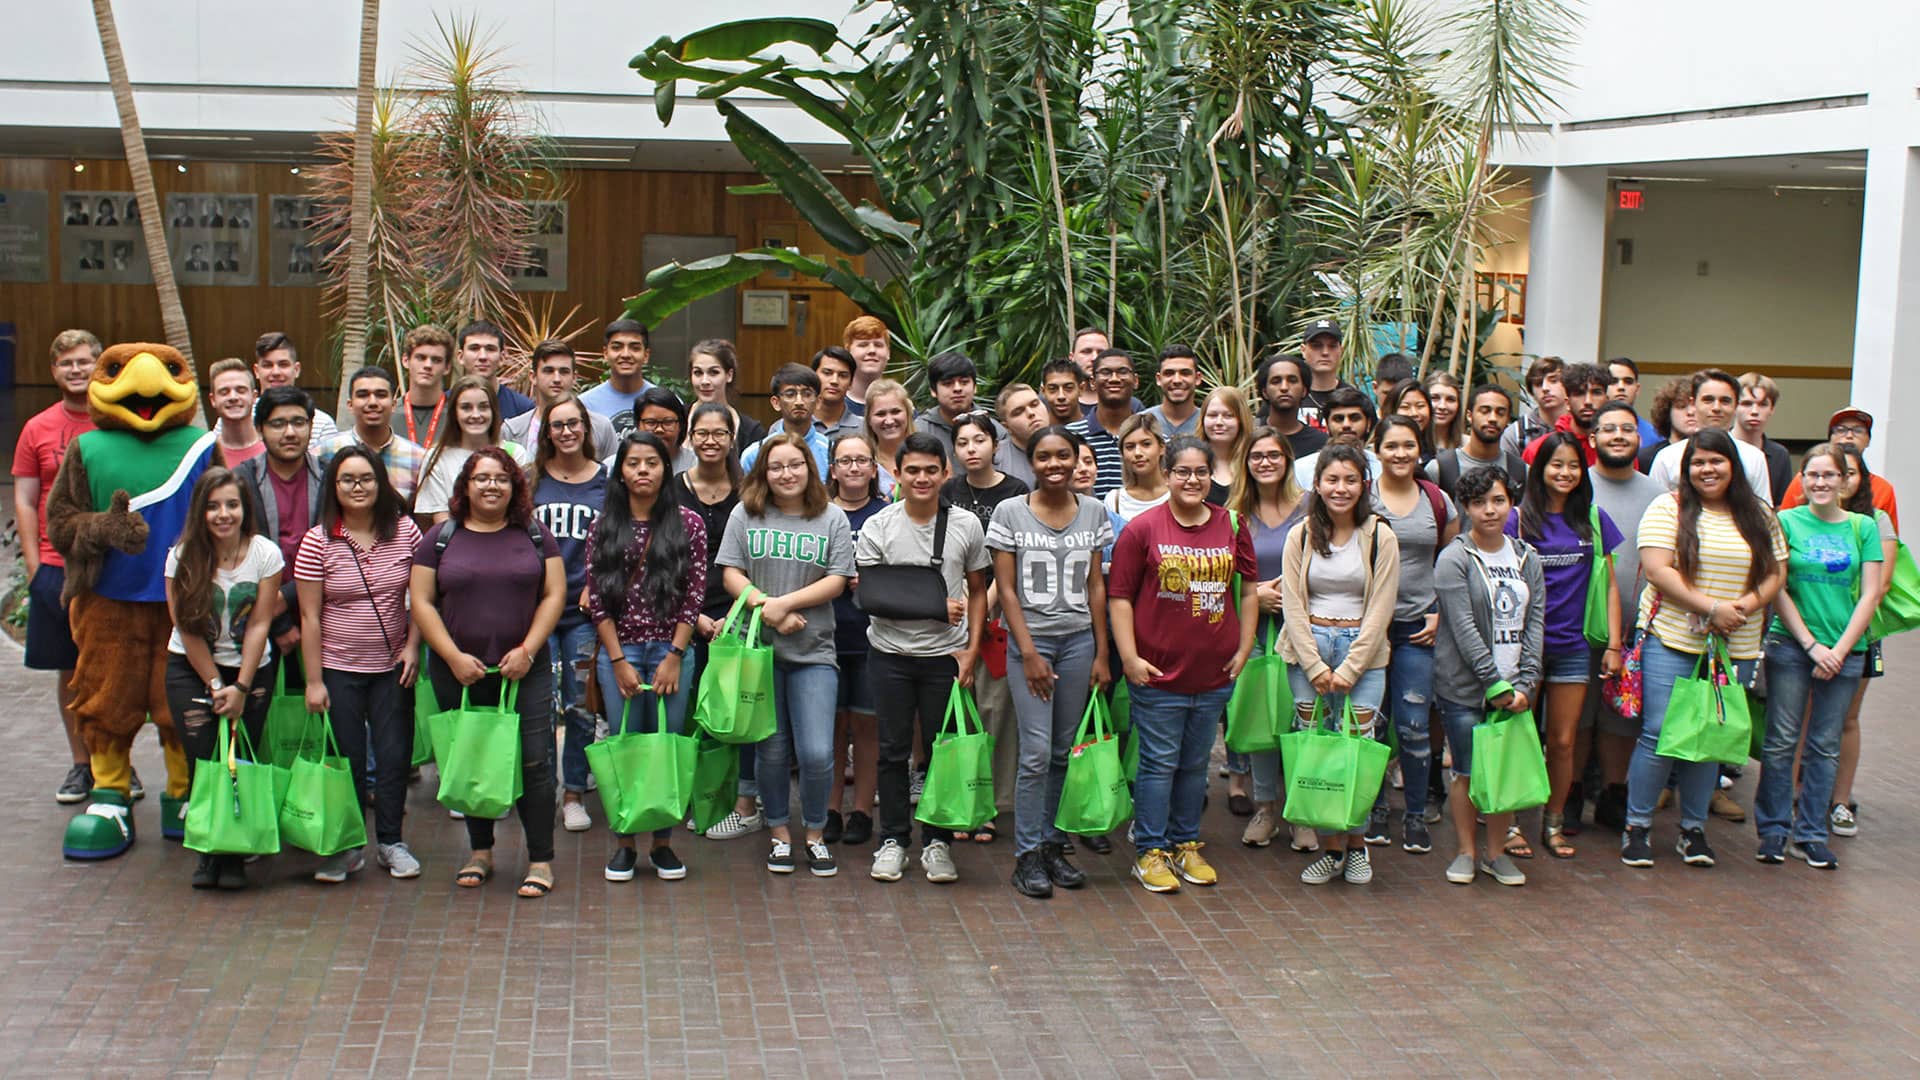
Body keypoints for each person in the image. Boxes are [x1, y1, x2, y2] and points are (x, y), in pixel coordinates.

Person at [1621, 429, 1785, 869]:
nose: (1707, 470)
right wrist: (1712, 608)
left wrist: (1744, 608)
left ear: (1733, 465)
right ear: (1685, 469)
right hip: (1673, 639)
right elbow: (1658, 570)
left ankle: (1693, 831)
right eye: (1698, 462)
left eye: (1716, 461)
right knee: (1660, 734)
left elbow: (1775, 572)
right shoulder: (1667, 507)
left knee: (1709, 739)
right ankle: (1636, 828)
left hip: (1736, 646)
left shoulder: (1760, 515)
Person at [411, 447, 567, 897]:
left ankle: (540, 860)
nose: (492, 485)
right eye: (481, 478)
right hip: (460, 672)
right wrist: (453, 657)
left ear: (515, 485)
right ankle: (480, 852)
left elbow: (554, 594)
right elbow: (421, 601)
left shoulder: (536, 535)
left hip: (524, 669)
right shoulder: (441, 537)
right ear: (466, 486)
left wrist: (528, 649)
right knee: (472, 757)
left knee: (536, 763)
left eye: (501, 478)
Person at [1112, 436, 1256, 893]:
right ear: (1166, 474)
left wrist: (1244, 647)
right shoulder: (1143, 529)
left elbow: (1250, 590)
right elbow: (1118, 598)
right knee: (1157, 763)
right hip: (1157, 673)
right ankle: (1150, 851)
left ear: (1211, 475)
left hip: (1214, 673)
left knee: (1194, 765)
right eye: (1182, 472)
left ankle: (1186, 843)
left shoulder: (1231, 524)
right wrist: (1130, 657)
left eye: (1200, 472)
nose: (1192, 480)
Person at [717, 433, 856, 877]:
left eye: (795, 465)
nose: (786, 474)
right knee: (772, 751)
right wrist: (769, 610)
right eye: (776, 467)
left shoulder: (831, 517)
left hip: (814, 650)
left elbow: (838, 579)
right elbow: (731, 574)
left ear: (810, 469)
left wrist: (785, 605)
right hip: (757, 651)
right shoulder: (746, 513)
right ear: (763, 472)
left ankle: (814, 833)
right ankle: (779, 834)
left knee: (816, 751)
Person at [861, 433, 992, 884]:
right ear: (896, 473)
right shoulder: (879, 525)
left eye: (930, 470)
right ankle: (893, 840)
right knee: (893, 751)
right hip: (890, 654)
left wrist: (971, 650)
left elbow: (978, 590)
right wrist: (935, 606)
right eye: (911, 470)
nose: (921, 478)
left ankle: (938, 842)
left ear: (946, 473)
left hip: (945, 658)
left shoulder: (966, 525)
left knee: (942, 752)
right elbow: (873, 596)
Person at [989, 426, 1112, 898]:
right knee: (1036, 753)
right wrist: (1030, 652)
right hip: (1031, 644)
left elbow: (1096, 587)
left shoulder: (1095, 511)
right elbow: (1007, 589)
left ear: (1077, 458)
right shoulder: (1010, 512)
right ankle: (1027, 854)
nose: (1055, 464)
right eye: (1044, 457)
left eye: (1064, 455)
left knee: (1064, 750)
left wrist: (1102, 652)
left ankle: (1054, 846)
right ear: (1032, 462)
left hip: (1079, 641)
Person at [294, 447, 424, 883]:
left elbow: (421, 600)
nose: (357, 487)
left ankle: (391, 842)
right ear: (334, 487)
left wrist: (413, 647)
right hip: (338, 666)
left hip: (392, 667)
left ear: (381, 482)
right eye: (347, 479)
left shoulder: (406, 531)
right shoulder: (318, 541)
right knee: (345, 760)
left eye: (366, 478)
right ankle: (348, 847)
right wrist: (314, 681)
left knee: (392, 757)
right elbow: (309, 616)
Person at [1755, 444, 1883, 870]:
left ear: (1845, 481)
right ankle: (1773, 830)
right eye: (1812, 475)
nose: (1821, 483)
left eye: (1830, 475)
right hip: (1791, 646)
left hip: (1846, 650)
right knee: (1780, 742)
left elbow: (1870, 593)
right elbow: (1779, 589)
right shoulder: (1785, 521)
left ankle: (1810, 833)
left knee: (1825, 746)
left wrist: (1841, 649)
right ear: (1802, 480)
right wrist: (1811, 645)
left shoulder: (1864, 527)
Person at [587, 432, 707, 883]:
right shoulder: (604, 526)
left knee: (665, 747)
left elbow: (693, 596)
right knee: (625, 746)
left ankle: (661, 843)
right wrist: (617, 660)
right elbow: (597, 599)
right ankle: (623, 843)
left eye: (652, 463)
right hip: (621, 650)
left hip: (670, 650)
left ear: (666, 469)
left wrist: (675, 653)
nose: (642, 470)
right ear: (620, 470)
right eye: (633, 463)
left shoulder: (689, 524)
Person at [1279, 445, 1402, 885]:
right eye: (1332, 480)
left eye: (1350, 480)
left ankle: (1357, 845)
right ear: (1317, 484)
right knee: (1317, 750)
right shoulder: (1300, 535)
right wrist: (1314, 665)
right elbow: (1292, 604)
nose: (1340, 488)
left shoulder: (1380, 535)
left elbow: (1382, 606)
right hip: (1308, 647)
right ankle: (1330, 850)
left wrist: (1350, 667)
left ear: (1364, 485)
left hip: (1363, 653)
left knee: (1357, 751)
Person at [1504, 431, 1623, 860]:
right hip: (1522, 649)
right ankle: (1510, 823)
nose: (1565, 473)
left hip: (1573, 647)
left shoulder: (1593, 519)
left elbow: (1608, 584)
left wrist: (1613, 643)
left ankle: (1553, 824)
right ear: (1540, 470)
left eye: (1574, 465)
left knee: (1564, 742)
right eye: (1556, 465)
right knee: (1518, 737)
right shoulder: (1516, 520)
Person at [164, 468, 283, 890]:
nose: (223, 514)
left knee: (239, 761)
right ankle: (207, 851)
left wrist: (242, 687)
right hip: (191, 669)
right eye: (213, 506)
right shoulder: (181, 557)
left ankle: (233, 855)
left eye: (231, 504)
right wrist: (217, 686)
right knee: (203, 760)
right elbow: (187, 628)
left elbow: (260, 623)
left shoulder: (265, 554)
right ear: (200, 512)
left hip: (251, 669)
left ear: (244, 507)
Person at [1433, 466, 1546, 886]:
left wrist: (1525, 681)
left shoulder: (1526, 557)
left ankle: (1496, 854)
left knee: (1504, 770)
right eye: (1479, 503)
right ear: (1466, 507)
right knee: (1466, 769)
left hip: (1515, 685)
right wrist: (1492, 683)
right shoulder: (1454, 558)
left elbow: (1535, 621)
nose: (1489, 510)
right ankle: (1466, 851)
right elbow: (1462, 627)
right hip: (1465, 688)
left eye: (1498, 500)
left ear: (1511, 503)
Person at [1366, 415, 1459, 854]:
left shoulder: (1437, 501)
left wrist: (1441, 612)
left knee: (1415, 725)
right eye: (1391, 446)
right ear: (1377, 450)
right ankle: (1375, 809)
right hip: (1368, 629)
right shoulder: (1361, 498)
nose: (1400, 454)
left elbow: (1452, 562)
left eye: (1408, 445)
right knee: (1372, 725)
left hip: (1418, 627)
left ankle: (1417, 815)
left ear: (1419, 450)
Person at [15, 330, 101, 802]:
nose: (76, 370)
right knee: (68, 672)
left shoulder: (117, 424)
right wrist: (35, 568)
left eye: (85, 361)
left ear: (99, 365)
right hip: (55, 568)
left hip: (108, 570)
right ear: (54, 370)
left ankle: (115, 762)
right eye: (67, 362)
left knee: (111, 670)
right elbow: (26, 501)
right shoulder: (37, 428)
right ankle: (80, 765)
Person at [678, 403, 762, 841]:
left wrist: (733, 613)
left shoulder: (750, 492)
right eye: (702, 433)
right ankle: (695, 794)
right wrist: (695, 618)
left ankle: (732, 799)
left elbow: (757, 559)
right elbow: (663, 565)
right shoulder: (672, 491)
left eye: (720, 433)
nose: (710, 441)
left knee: (735, 712)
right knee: (692, 712)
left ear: (733, 439)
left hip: (739, 613)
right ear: (689, 438)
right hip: (682, 617)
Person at [528, 394, 607, 833]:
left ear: (585, 428)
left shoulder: (606, 482)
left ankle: (574, 792)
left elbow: (617, 542)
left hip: (583, 612)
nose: (566, 431)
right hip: (536, 610)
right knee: (539, 703)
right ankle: (536, 787)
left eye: (573, 423)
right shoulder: (532, 480)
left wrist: (597, 587)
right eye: (557, 425)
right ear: (547, 433)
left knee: (579, 704)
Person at [1583, 401, 1664, 831]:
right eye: (1608, 428)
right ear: (1592, 438)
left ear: (1639, 439)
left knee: (1621, 715)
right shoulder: (1578, 485)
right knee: (1580, 716)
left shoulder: (1657, 494)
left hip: (1638, 629)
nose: (1618, 435)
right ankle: (1573, 790)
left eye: (1627, 429)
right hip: (1580, 625)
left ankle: (1615, 791)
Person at [1229, 427, 1308, 850]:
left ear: (1287, 459)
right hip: (1253, 629)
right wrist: (1255, 596)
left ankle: (1301, 811)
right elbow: (1221, 575)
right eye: (1256, 456)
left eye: (1273, 455)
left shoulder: (1310, 508)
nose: (1265, 462)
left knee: (1301, 718)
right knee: (1264, 720)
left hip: (1304, 631)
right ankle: (1265, 808)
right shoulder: (1234, 513)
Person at [1824, 444, 1896, 838]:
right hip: (1808, 635)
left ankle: (1840, 801)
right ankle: (1803, 795)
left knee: (1847, 719)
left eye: (1850, 473)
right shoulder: (1801, 519)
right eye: (1835, 472)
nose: (1841, 480)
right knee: (1802, 720)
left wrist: (1843, 637)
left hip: (1858, 636)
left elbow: (1879, 586)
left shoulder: (1876, 522)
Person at [233, 386, 324, 678]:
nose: (290, 432)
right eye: (278, 424)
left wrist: (286, 597)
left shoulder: (330, 477)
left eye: (299, 422)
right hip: (258, 618)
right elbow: (235, 555)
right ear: (260, 429)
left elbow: (335, 552)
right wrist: (280, 622)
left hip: (325, 618)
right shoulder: (242, 481)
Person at [825, 433, 885, 847]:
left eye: (861, 460)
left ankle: (862, 810)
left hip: (872, 638)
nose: (853, 467)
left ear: (873, 467)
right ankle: (828, 809)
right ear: (832, 469)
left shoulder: (888, 514)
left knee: (866, 727)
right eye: (844, 461)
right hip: (826, 634)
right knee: (830, 728)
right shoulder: (820, 515)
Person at [412, 376, 531, 521]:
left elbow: (522, 510)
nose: (476, 415)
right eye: (466, 407)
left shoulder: (515, 454)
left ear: (493, 410)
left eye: (483, 407)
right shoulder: (437, 458)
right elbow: (440, 522)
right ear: (454, 413)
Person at [1646, 370, 1774, 505]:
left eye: (1725, 401)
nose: (1716, 408)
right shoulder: (1667, 458)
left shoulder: (1754, 458)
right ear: (1693, 403)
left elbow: (1764, 516)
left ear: (1736, 405)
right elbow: (1653, 511)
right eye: (1708, 400)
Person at [317, 367, 427, 502]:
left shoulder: (417, 459)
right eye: (363, 395)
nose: (373, 402)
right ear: (350, 405)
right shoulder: (324, 452)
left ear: (393, 404)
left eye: (381, 395)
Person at [1779, 408, 1900, 528]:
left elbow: (1889, 542)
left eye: (1858, 430)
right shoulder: (1806, 480)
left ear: (1868, 440)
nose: (1849, 435)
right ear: (1830, 439)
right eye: (1841, 430)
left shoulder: (1883, 489)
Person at [499, 340, 619, 453]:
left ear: (574, 377)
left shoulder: (601, 427)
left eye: (564, 371)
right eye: (548, 371)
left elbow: (612, 472)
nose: (557, 379)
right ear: (533, 377)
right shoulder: (512, 430)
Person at [1430, 383, 1527, 493]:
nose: (1492, 418)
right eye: (1485, 411)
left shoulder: (1521, 471)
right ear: (1469, 416)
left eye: (1500, 413)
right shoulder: (1440, 468)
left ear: (1508, 420)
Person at [1067, 350, 1140, 497]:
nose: (1114, 379)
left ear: (1135, 381)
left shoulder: (1153, 440)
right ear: (1093, 382)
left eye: (1122, 372)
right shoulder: (1069, 437)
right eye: (1105, 372)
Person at [741, 364, 831, 476]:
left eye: (807, 394)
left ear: (818, 402)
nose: (799, 402)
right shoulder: (755, 454)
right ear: (776, 402)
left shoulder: (830, 452)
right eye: (790, 394)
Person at [944, 412, 1030, 526]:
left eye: (979, 441)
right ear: (954, 452)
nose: (971, 449)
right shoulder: (948, 489)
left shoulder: (1016, 490)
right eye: (962, 443)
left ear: (995, 446)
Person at [684, 338, 766, 454]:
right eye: (698, 373)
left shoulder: (751, 431)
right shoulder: (677, 419)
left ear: (729, 375)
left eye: (714, 372)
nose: (705, 381)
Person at [579, 320, 660, 436]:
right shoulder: (585, 404)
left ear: (646, 355)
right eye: (617, 347)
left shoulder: (666, 402)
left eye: (635, 348)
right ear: (606, 354)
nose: (626, 354)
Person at [915, 350, 1002, 457]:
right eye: (947, 383)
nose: (957, 388)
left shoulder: (995, 430)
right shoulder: (919, 430)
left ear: (975, 387)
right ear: (933, 391)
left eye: (964, 382)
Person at [254, 332, 336, 442]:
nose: (276, 372)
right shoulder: (237, 419)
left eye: (283, 364)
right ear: (257, 371)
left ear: (296, 370)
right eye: (267, 365)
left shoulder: (323, 424)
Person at [1522, 361, 1608, 466]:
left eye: (1596, 392)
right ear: (1567, 402)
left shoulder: (1617, 449)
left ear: (1607, 400)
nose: (1588, 401)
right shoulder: (1538, 450)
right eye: (1579, 393)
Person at [1294, 387, 1381, 490]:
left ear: (1368, 424)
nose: (1346, 425)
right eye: (1338, 419)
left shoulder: (1381, 468)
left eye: (1354, 418)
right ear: (1327, 424)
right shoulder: (1301, 469)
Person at [456, 320, 537, 419]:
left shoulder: (523, 408)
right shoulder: (444, 404)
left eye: (490, 349)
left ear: (502, 358)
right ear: (460, 357)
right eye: (474, 348)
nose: (483, 356)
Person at [1253, 352, 1328, 459]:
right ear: (1265, 392)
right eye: (1276, 381)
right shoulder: (1249, 437)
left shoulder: (1321, 443)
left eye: (1292, 380)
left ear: (1304, 390)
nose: (1284, 387)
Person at [1735, 373, 1792, 505]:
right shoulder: (1719, 446)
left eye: (1762, 404)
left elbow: (1781, 505)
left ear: (1772, 409)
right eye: (1746, 403)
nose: (1754, 411)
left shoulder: (1780, 454)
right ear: (1734, 406)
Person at [1104, 414, 1169, 528]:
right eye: (1130, 447)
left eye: (1146, 444)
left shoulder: (1177, 494)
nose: (1138, 453)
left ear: (1161, 448)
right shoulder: (1114, 500)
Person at [1501, 356, 1567, 459]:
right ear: (1531, 391)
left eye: (1553, 381)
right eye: (1538, 384)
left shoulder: (1580, 426)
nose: (1545, 388)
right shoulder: (1516, 433)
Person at [860, 378, 917, 495]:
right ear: (869, 420)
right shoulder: (861, 461)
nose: (889, 421)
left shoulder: (931, 454)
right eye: (880, 414)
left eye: (896, 412)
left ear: (908, 414)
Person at [1200, 387, 1255, 505]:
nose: (1219, 422)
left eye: (1228, 415)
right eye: (1212, 415)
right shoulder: (1190, 464)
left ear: (1241, 420)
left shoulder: (1254, 463)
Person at [1298, 319, 1355, 429]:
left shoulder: (1354, 398)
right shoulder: (1289, 396)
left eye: (1332, 346)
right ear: (1303, 350)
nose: (1325, 352)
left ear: (1341, 351)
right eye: (1317, 346)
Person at [1068, 328, 1141, 413]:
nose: (1094, 358)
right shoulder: (1057, 403)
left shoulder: (1133, 406)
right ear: (1071, 357)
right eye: (1086, 351)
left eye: (1101, 352)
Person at [206, 359, 264, 464]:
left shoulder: (273, 448)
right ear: (213, 400)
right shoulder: (205, 456)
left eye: (241, 390)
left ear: (254, 397)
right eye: (224, 392)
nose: (233, 397)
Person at [633, 385, 698, 474]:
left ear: (681, 425)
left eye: (668, 422)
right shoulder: (617, 464)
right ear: (638, 424)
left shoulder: (697, 465)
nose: (659, 429)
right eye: (651, 423)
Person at [993, 381, 1047, 487]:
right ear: (1006, 426)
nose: (1031, 413)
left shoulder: (1070, 445)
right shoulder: (996, 460)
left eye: (1035, 404)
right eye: (1019, 412)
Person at [1141, 346, 1202, 438]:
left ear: (1197, 378)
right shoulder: (1141, 422)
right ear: (1158, 379)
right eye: (1169, 373)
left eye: (1185, 373)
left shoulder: (1210, 423)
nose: (1177, 380)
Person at [1637, 377, 1696, 473]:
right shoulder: (1645, 458)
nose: (1691, 412)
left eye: (1696, 406)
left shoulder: (1715, 455)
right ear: (1667, 411)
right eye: (1681, 406)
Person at [810, 346, 865, 439]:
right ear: (812, 377)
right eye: (827, 373)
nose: (834, 381)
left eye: (843, 375)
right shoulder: (789, 426)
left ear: (851, 383)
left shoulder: (865, 429)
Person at [1606, 357, 1662, 447]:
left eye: (1628, 381)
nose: (1621, 387)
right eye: (1613, 381)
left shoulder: (1655, 436)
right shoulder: (1590, 430)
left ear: (1637, 389)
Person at [843, 315, 890, 410]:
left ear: (888, 353)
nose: (872, 350)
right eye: (863, 345)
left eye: (878, 345)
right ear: (848, 352)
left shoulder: (903, 408)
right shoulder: (831, 406)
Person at [1383, 381, 1435, 464]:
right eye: (1405, 407)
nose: (1414, 413)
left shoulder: (1438, 454)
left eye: (1420, 406)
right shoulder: (1378, 456)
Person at [1040, 358, 1088, 427]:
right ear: (1043, 391)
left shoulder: (1097, 432)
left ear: (1081, 389)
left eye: (1068, 388)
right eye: (1052, 389)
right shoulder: (1036, 433)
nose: (1061, 396)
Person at [1425, 371, 1463, 452]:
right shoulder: (1409, 444)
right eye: (1435, 398)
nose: (1442, 406)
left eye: (1450, 399)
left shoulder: (1467, 446)